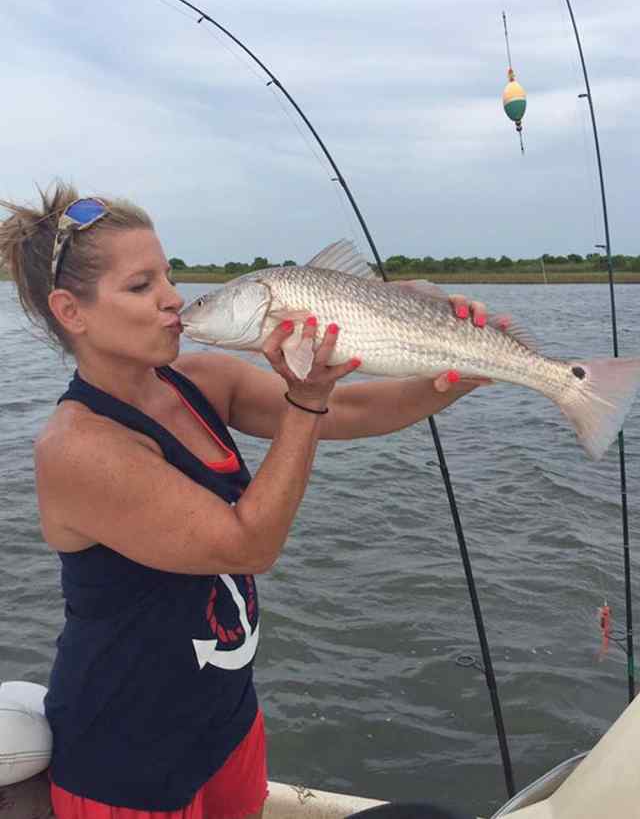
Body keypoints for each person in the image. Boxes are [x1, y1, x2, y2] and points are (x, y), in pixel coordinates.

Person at [0, 182, 490, 819]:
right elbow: (249, 544)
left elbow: (355, 407)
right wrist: (304, 400)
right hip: (127, 756)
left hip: (226, 721)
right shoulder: (77, 446)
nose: (173, 298)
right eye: (141, 286)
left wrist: (459, 371)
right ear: (72, 312)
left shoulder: (201, 381)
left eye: (168, 275)